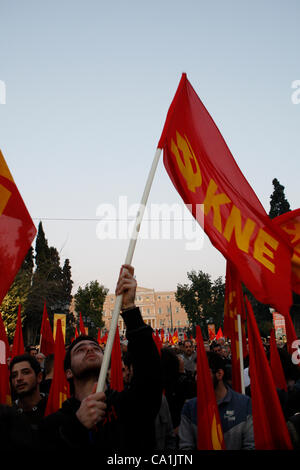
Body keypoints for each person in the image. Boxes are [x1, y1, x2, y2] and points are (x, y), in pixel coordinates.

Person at [40, 264, 162, 453]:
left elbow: (151, 372)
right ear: (68, 372)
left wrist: (129, 308)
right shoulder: (54, 424)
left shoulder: (130, 405)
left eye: (96, 348)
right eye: (80, 350)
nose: (89, 349)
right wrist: (78, 426)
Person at [179, 352, 254, 450]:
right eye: (196, 373)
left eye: (202, 373)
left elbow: (251, 445)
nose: (197, 378)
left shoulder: (244, 404)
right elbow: (185, 446)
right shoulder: (190, 408)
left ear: (219, 374)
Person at [10, 353, 48, 429]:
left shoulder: (53, 407)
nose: (19, 378)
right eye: (14, 375)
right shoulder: (8, 414)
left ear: (39, 377)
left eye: (26, 372)